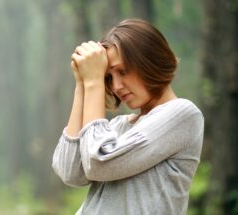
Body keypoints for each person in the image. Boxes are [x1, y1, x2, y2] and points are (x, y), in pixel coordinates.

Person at [52, 19, 204, 215]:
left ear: (150, 60)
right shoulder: (117, 127)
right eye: (108, 77)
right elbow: (69, 172)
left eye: (122, 71)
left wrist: (93, 83)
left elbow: (99, 162)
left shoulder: (183, 115)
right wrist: (82, 83)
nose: (116, 86)